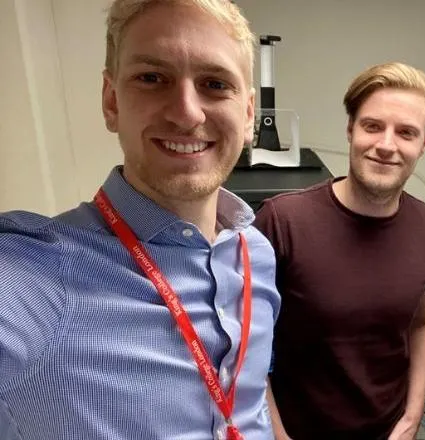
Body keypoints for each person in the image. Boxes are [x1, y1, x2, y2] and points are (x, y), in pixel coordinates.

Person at [0, 1, 280, 439]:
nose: (187, 113)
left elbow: (248, 393)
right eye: (152, 78)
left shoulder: (254, 253)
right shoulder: (33, 275)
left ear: (248, 115)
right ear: (112, 102)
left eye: (214, 83)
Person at [254, 62, 425, 440]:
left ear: (423, 143)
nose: (386, 145)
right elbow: (248, 343)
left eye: (406, 132)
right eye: (372, 126)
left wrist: (411, 417)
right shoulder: (283, 220)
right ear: (350, 129)